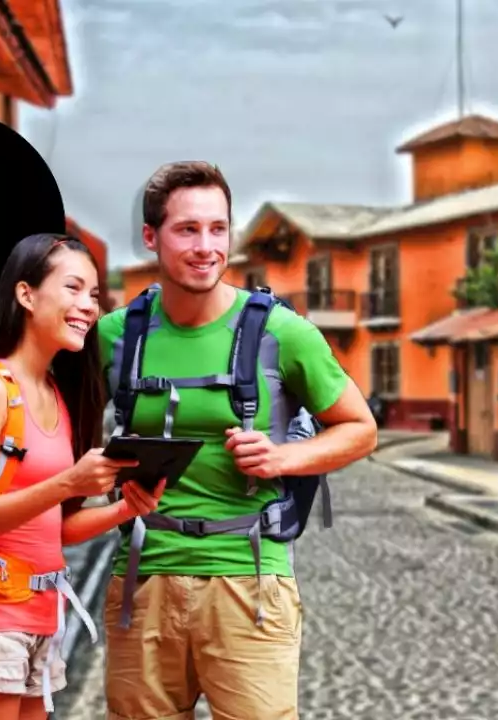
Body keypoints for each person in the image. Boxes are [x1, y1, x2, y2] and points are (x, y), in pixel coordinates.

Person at [97, 161, 378, 720]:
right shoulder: (114, 336)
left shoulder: (281, 331)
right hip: (142, 578)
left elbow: (360, 427)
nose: (206, 246)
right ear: (151, 237)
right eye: (187, 230)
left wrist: (283, 457)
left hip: (250, 579)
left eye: (218, 229)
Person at [0, 233, 166, 720]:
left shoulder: (59, 395)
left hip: (42, 615)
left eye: (95, 295)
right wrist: (68, 484)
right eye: (73, 288)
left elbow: (52, 530)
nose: (88, 306)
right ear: (25, 295)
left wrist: (126, 508)